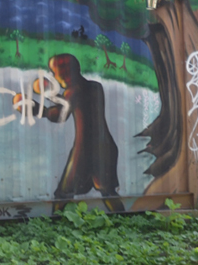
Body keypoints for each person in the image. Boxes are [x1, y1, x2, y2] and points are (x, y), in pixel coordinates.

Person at [15, 54, 124, 212]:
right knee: (108, 192)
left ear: (65, 72)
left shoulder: (73, 92)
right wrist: (49, 94)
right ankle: (124, 220)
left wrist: (36, 109)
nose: (54, 76)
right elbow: (70, 101)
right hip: (105, 148)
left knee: (63, 195)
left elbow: (60, 115)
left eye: (55, 72)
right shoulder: (95, 87)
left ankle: (55, 224)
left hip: (84, 152)